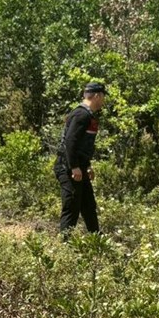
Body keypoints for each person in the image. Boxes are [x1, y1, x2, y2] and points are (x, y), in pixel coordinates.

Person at [53, 81, 107, 236]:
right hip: (68, 167)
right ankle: (65, 247)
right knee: (72, 207)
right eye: (103, 97)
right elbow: (70, 142)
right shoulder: (81, 114)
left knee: (89, 206)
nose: (103, 101)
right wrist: (74, 167)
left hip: (80, 167)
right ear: (97, 96)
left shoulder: (88, 115)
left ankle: (97, 243)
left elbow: (82, 145)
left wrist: (87, 165)